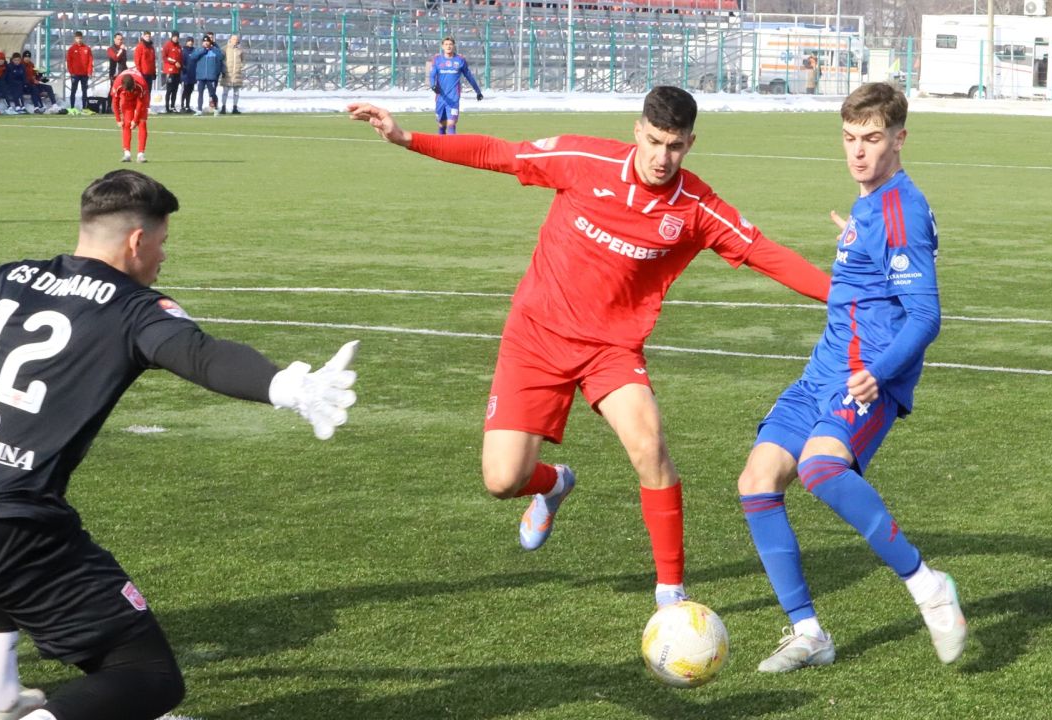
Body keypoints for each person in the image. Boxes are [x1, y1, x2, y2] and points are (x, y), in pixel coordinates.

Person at [0, 169, 359, 720]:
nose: (162, 258)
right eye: (162, 243)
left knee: (2, 517)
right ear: (136, 240)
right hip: (3, 531)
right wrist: (288, 385)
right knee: (147, 675)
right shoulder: (133, 308)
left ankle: (1, 693)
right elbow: (203, 356)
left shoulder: (0, 277)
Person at [348, 87, 830, 609]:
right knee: (502, 479)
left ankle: (671, 593)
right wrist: (407, 138)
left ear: (691, 143)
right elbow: (499, 154)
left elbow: (764, 253)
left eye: (674, 146)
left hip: (612, 349)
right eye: (653, 141)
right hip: (536, 335)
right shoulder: (584, 160)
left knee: (650, 447)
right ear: (636, 132)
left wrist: (849, 296)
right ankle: (553, 484)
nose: (661, 158)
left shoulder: (695, 207)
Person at [737, 81, 965, 673]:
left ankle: (927, 585)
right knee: (758, 480)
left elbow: (926, 315)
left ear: (899, 138)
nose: (858, 151)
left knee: (818, 466)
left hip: (866, 377)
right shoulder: (871, 209)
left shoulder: (900, 210)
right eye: (849, 139)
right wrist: (855, 236)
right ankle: (809, 632)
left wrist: (879, 373)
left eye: (871, 138)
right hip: (822, 370)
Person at [427, 36, 482, 135]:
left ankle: (452, 149)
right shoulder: (437, 59)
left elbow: (469, 76)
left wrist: (478, 91)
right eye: (446, 44)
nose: (448, 46)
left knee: (451, 124)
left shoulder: (460, 60)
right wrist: (433, 86)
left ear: (454, 46)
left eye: (450, 44)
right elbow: (432, 75)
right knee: (441, 125)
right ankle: (441, 148)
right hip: (440, 98)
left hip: (453, 98)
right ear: (442, 46)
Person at [112, 68, 149, 162]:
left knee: (142, 124)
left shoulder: (141, 84)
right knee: (126, 124)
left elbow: (140, 104)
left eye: (132, 89)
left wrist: (135, 120)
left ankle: (141, 154)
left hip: (140, 99)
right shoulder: (117, 85)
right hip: (127, 101)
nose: (131, 91)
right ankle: (127, 154)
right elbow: (115, 102)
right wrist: (118, 119)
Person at [191, 36, 223, 116]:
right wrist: (203, 51)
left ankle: (216, 108)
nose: (206, 43)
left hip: (211, 76)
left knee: (212, 94)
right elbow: (193, 57)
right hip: (201, 76)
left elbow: (221, 57)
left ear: (210, 42)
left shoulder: (214, 50)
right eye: (204, 42)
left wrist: (213, 49)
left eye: (207, 41)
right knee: (200, 93)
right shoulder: (199, 50)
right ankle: (199, 109)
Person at [67, 31, 93, 111]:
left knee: (84, 91)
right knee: (73, 91)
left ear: (82, 38)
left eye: (80, 38)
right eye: (77, 38)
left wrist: (89, 72)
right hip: (75, 74)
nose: (79, 40)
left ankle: (84, 108)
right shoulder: (71, 49)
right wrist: (71, 72)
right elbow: (69, 61)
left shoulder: (87, 48)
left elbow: (90, 61)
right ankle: (72, 108)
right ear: (75, 39)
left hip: (84, 74)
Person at [219, 34, 244, 114]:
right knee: (225, 92)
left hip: (237, 74)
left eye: (236, 39)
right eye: (234, 39)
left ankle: (235, 107)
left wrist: (240, 67)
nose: (235, 41)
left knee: (236, 92)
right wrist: (223, 70)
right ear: (230, 39)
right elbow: (221, 60)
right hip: (227, 73)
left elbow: (243, 60)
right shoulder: (225, 48)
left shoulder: (240, 50)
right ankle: (223, 107)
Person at [161, 31, 182, 113]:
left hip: (177, 71)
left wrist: (181, 66)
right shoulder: (167, 45)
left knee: (175, 90)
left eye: (177, 37)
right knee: (169, 89)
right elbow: (164, 57)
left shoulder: (179, 47)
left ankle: (172, 106)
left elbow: (180, 58)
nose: (176, 38)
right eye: (174, 37)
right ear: (172, 37)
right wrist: (174, 62)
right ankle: (167, 107)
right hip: (170, 71)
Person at [133, 31, 156, 103]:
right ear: (143, 37)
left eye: (149, 36)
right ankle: (140, 105)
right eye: (146, 36)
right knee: (142, 90)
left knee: (149, 90)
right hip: (143, 72)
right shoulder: (140, 46)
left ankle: (147, 106)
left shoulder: (151, 47)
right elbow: (137, 59)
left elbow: (153, 60)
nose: (148, 38)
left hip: (150, 72)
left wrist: (154, 72)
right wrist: (139, 71)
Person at [179, 36, 196, 113]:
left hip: (193, 74)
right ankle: (182, 106)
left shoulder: (195, 51)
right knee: (185, 91)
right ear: (186, 42)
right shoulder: (183, 51)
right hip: (185, 74)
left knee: (190, 91)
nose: (190, 42)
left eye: (191, 41)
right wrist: (183, 70)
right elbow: (181, 62)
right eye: (189, 41)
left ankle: (187, 106)